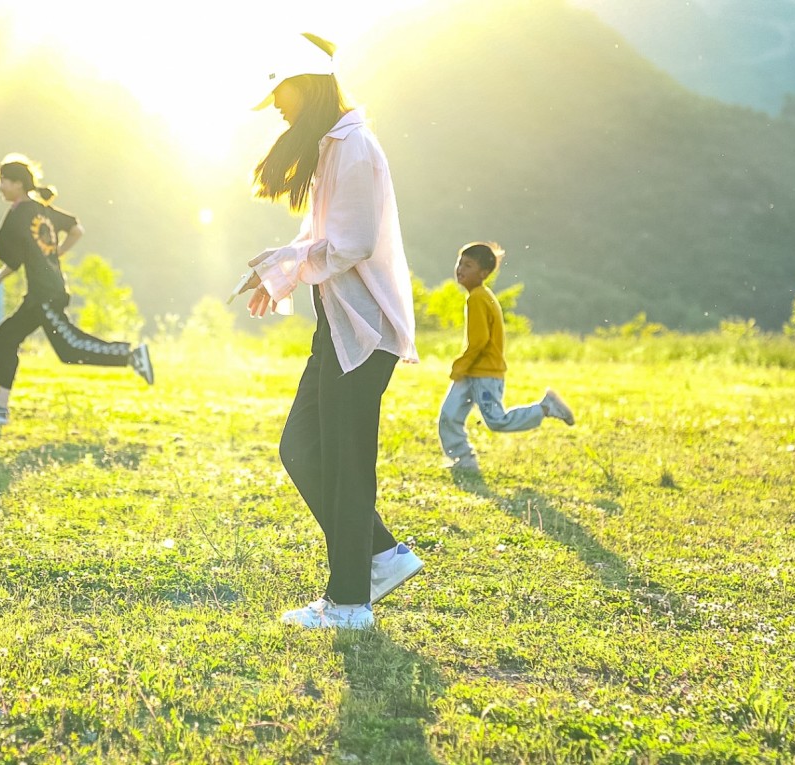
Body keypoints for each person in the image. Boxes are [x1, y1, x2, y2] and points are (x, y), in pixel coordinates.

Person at [237, 33, 422, 630]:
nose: (277, 107)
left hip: (364, 330)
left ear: (307, 86)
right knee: (300, 446)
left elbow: (352, 243)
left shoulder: (354, 147)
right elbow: (320, 237)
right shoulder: (332, 146)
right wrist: (277, 273)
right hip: (338, 325)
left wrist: (284, 265)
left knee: (345, 460)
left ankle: (349, 603)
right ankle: (382, 556)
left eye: (281, 94)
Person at [0, 155, 153, 425]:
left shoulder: (19, 215)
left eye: (3, 181)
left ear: (18, 184)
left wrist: (3, 274)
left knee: (70, 348)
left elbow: (14, 256)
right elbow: (76, 229)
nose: (0, 187)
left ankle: (132, 355)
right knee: (7, 335)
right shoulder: (43, 210)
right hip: (43, 292)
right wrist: (55, 255)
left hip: (45, 294)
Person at [438, 241, 575, 472]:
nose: (460, 268)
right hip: (472, 370)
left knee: (496, 420)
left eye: (468, 265)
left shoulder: (478, 298)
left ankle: (545, 408)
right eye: (460, 263)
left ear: (483, 273)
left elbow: (479, 341)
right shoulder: (479, 296)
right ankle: (463, 461)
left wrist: (460, 365)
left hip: (484, 373)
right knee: (449, 415)